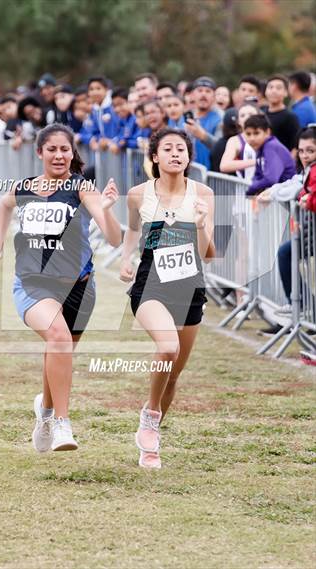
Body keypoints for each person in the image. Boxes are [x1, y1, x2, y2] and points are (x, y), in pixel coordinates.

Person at [0, 123, 121, 452]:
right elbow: (3, 206)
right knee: (58, 338)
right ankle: (61, 423)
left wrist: (108, 210)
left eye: (65, 149)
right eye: (52, 149)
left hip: (79, 288)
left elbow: (114, 239)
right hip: (33, 283)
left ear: (73, 153)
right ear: (40, 152)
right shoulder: (24, 187)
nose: (59, 155)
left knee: (59, 351)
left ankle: (44, 412)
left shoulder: (82, 188)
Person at [120, 128, 215, 468]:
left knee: (173, 374)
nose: (176, 154)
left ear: (189, 158)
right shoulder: (138, 194)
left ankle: (151, 442)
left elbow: (208, 253)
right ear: (155, 157)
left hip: (190, 288)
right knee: (167, 348)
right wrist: (126, 258)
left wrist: (202, 225)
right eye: (168, 149)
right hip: (151, 286)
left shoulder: (202, 193)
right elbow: (133, 229)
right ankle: (150, 414)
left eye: (182, 149)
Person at [257, 127, 316, 322]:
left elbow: (300, 190)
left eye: (310, 150)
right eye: (301, 151)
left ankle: (303, 304)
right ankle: (305, 306)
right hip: (309, 229)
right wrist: (273, 192)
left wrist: (306, 199)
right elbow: (296, 184)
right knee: (286, 253)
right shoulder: (307, 170)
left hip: (312, 230)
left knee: (285, 253)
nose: (305, 155)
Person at [244, 114, 296, 196]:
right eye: (248, 134)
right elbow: (258, 174)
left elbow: (271, 179)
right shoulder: (261, 148)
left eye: (256, 133)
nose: (252, 138)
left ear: (267, 132)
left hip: (285, 197)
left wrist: (250, 189)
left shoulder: (270, 146)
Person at [184, 76, 222, 169]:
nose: (203, 95)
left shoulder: (220, 119)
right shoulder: (185, 116)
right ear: (192, 95)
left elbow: (222, 148)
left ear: (214, 96)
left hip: (211, 176)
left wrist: (203, 136)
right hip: (187, 173)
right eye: (200, 90)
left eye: (208, 91)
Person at [219, 102, 261, 181]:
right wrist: (256, 162)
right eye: (242, 115)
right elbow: (224, 166)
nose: (247, 118)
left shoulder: (267, 137)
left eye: (251, 114)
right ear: (238, 121)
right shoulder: (235, 140)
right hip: (245, 190)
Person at [264, 74, 299, 151]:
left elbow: (295, 147)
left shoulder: (290, 117)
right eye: (270, 87)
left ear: (286, 93)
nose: (274, 91)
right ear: (265, 91)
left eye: (278, 88)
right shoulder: (261, 114)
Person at [110, 87, 138, 152]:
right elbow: (119, 136)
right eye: (114, 106)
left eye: (120, 104)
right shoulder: (122, 120)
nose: (117, 109)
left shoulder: (136, 120)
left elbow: (138, 141)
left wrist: (124, 143)